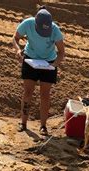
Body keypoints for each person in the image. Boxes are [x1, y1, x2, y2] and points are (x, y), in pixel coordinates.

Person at [13, 6, 65, 136]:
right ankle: (23, 123)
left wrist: (54, 64)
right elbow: (15, 38)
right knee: (28, 91)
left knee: (45, 94)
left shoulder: (55, 30)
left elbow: (61, 52)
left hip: (49, 62)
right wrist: (18, 50)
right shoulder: (27, 23)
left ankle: (43, 126)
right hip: (30, 59)